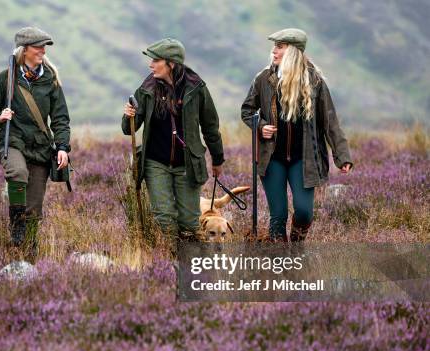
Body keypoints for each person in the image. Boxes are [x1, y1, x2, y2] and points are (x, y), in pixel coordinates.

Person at [241, 28, 353, 242]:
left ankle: (296, 245)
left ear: (293, 51)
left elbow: (330, 122)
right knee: (278, 216)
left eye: (279, 47)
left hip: (304, 160)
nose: (273, 51)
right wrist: (260, 126)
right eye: (274, 46)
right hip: (272, 158)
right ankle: (281, 263)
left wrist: (342, 156)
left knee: (303, 212)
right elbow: (247, 110)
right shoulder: (264, 79)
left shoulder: (315, 81)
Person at [122, 38, 224, 241]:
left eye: (156, 60)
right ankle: (169, 265)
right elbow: (128, 129)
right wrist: (129, 115)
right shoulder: (147, 88)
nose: (150, 65)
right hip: (155, 162)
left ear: (172, 63)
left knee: (189, 222)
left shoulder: (196, 88)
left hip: (187, 163)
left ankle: (191, 264)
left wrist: (217, 158)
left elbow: (210, 126)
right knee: (164, 219)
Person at [0, 27, 71, 250]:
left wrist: (62, 147)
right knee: (18, 172)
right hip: (11, 142)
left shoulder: (51, 81)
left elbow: (60, 118)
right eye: (38, 47)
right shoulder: (5, 78)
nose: (43, 51)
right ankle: (16, 226)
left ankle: (28, 248)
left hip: (40, 148)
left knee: (34, 207)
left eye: (44, 47)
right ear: (24, 50)